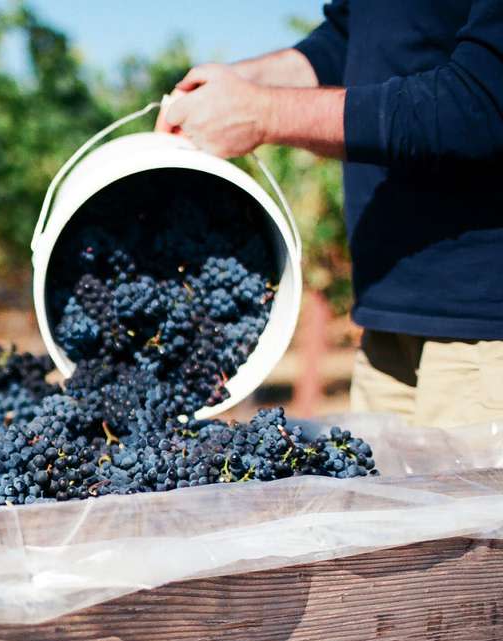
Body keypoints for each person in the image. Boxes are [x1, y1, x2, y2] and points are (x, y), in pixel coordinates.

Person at [155, 1, 503, 429]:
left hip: (485, 336)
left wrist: (265, 113)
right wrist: (242, 82)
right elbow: (348, 41)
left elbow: (480, 104)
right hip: (385, 323)